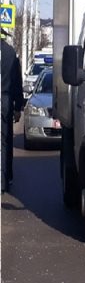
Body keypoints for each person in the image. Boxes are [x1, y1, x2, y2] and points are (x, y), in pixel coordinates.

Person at [1, 29, 26, 193]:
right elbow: (17, 81)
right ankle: (5, 179)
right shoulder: (10, 53)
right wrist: (18, 107)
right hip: (5, 102)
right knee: (5, 140)